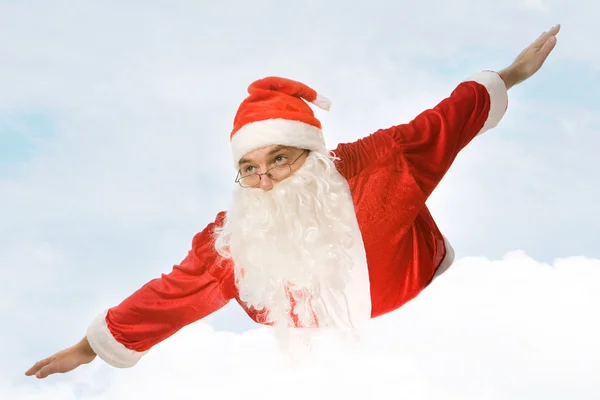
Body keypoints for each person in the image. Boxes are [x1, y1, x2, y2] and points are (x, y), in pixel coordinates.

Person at [26, 25, 560, 379]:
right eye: (250, 169)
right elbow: (173, 294)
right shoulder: (232, 240)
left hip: (404, 271)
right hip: (310, 313)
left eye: (280, 160)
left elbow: (448, 120)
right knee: (226, 269)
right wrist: (92, 346)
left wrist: (509, 75)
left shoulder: (382, 163)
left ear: (312, 156)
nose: (266, 181)